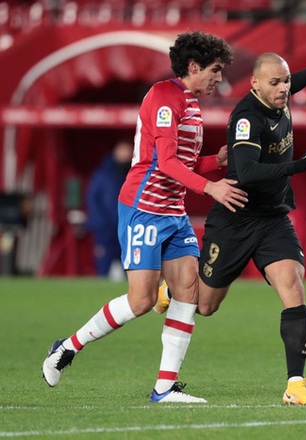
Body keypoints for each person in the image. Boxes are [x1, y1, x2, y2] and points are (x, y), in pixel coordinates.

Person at [156, 31, 306, 405]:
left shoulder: (278, 96)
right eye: (276, 82)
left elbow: (293, 80)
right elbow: (248, 172)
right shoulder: (247, 118)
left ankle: (296, 385)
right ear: (255, 85)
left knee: (293, 287)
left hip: (272, 218)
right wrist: (299, 165)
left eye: (286, 81)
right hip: (235, 217)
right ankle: (169, 293)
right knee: (205, 305)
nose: (285, 88)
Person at [41, 31, 248, 403]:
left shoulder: (192, 104)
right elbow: (165, 164)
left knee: (188, 291)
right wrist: (211, 187)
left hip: (174, 211)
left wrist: (214, 164)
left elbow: (180, 163)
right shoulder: (164, 97)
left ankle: (165, 388)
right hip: (144, 209)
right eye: (215, 70)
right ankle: (67, 347)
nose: (220, 77)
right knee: (141, 301)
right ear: (193, 66)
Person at [86, 140, 133, 277]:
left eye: (127, 153)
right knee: (103, 267)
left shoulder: (134, 174)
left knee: (130, 268)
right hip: (105, 230)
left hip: (128, 229)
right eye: (122, 152)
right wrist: (101, 223)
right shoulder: (102, 175)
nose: (125, 156)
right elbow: (92, 200)